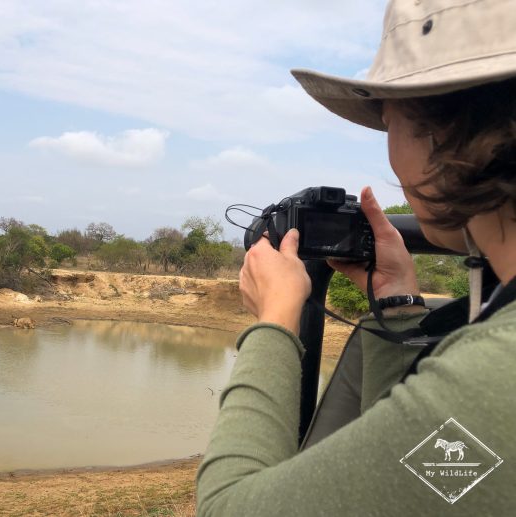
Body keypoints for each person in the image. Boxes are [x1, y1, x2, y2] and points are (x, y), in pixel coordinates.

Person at [196, 0, 516, 514]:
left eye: (388, 121)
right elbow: (417, 480)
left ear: (443, 134)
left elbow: (228, 508)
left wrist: (277, 320)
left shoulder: (496, 374)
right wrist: (398, 302)